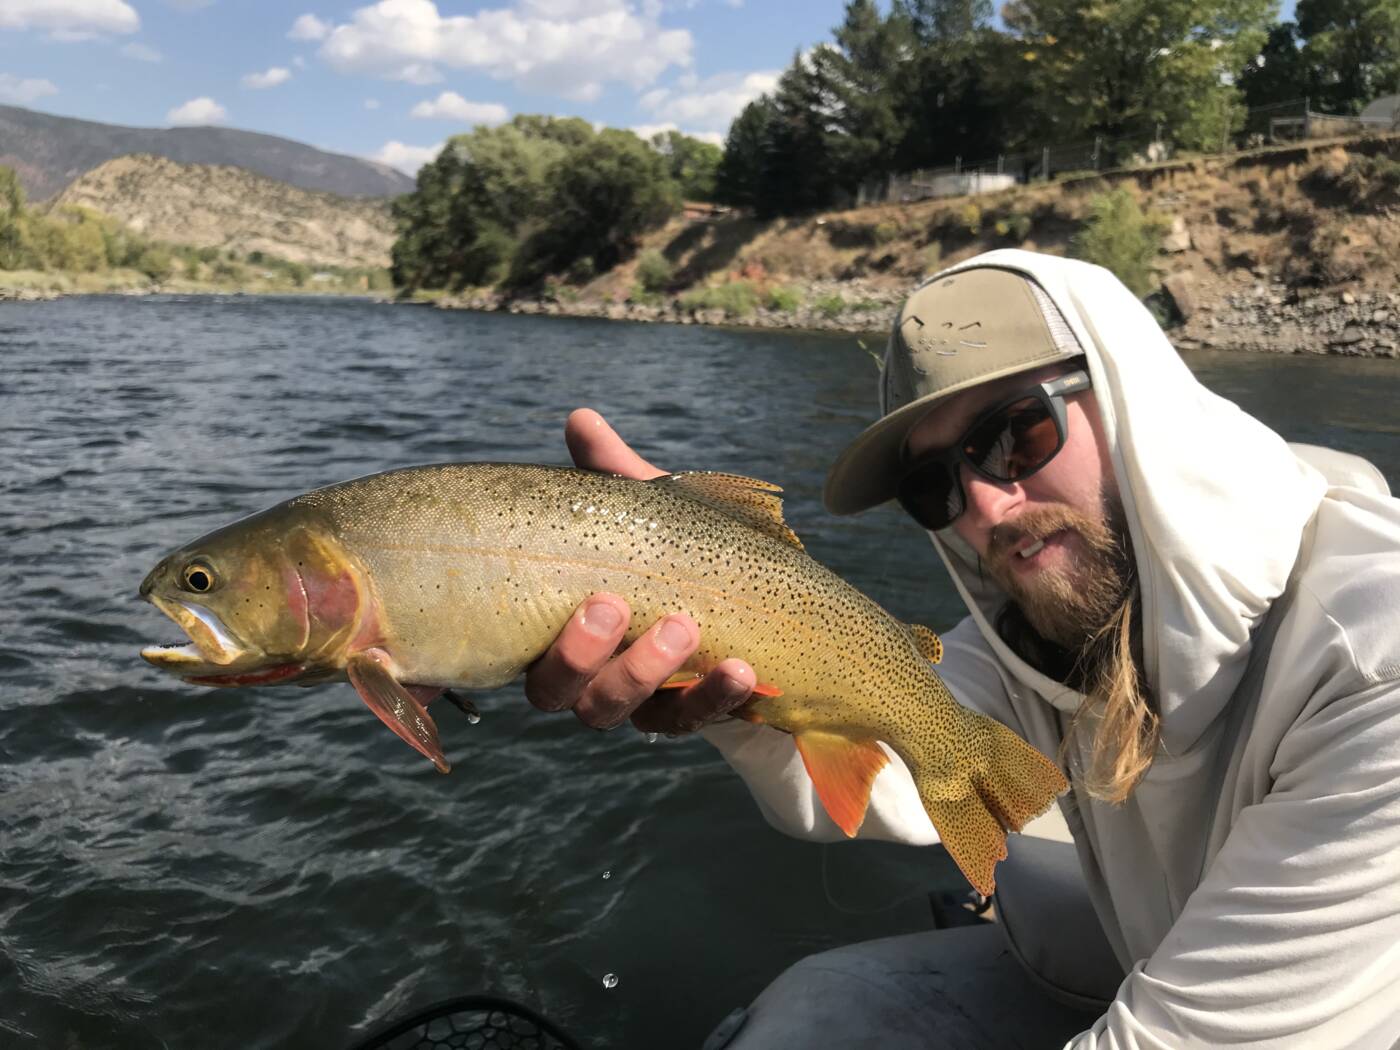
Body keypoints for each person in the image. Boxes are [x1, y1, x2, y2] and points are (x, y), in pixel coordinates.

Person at [524, 248, 1400, 1047]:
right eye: (931, 484)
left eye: (1014, 435)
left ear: (1138, 399)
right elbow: (880, 783)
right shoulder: (1048, 633)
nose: (982, 506)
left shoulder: (1375, 661)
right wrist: (725, 654)